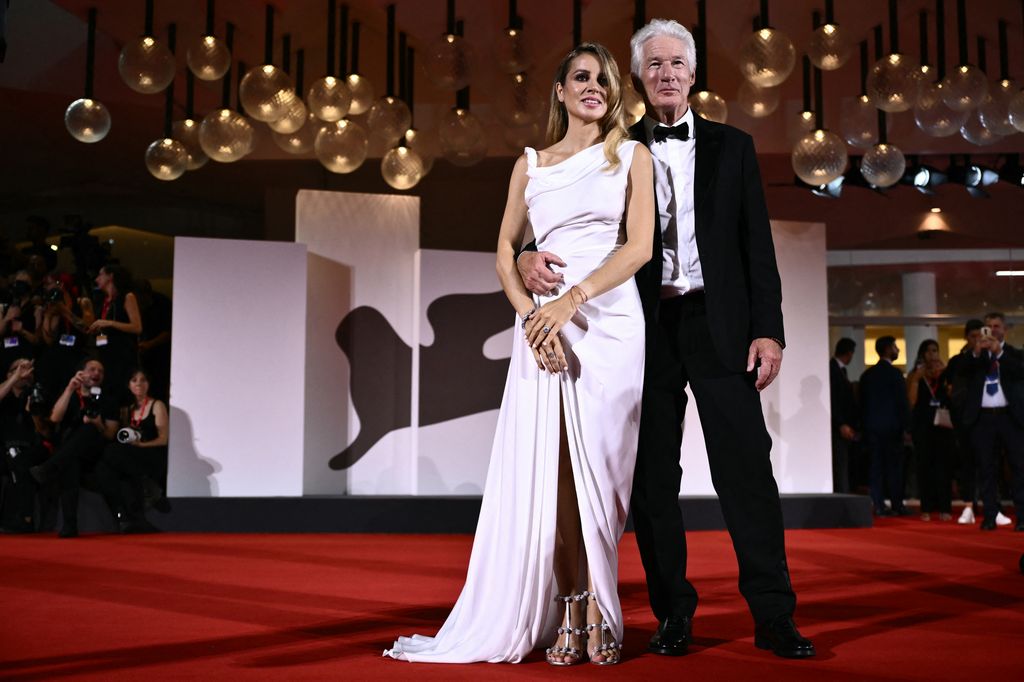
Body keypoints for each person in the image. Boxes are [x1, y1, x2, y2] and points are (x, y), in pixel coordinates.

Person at [518, 18, 812, 659]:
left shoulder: (735, 147)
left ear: (693, 72)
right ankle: (673, 613)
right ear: (639, 77)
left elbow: (756, 247)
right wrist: (524, 257)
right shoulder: (614, 151)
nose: (667, 74)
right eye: (653, 65)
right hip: (640, 330)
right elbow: (562, 219)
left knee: (746, 471)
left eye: (677, 63)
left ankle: (774, 615)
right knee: (652, 479)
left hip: (721, 327)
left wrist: (769, 331)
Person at [384, 42, 654, 665]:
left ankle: (601, 605)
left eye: (604, 80)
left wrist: (572, 299)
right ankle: (571, 606)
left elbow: (637, 247)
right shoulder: (530, 165)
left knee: (602, 476)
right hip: (544, 331)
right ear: (559, 91)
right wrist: (533, 317)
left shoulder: (631, 156)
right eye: (581, 77)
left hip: (609, 322)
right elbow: (505, 250)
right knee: (553, 475)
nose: (593, 87)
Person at [29, 358, 119, 538]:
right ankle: (70, 526)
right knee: (69, 464)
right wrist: (70, 388)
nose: (96, 373)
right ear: (81, 373)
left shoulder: (108, 399)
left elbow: (110, 434)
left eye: (100, 371)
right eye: (92, 369)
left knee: (87, 429)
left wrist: (98, 423)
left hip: (95, 452)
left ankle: (48, 468)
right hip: (69, 453)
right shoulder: (69, 394)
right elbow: (54, 419)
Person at [957, 312, 1024, 531]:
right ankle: (989, 516)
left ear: (1004, 329)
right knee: (986, 468)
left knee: (1018, 467)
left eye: (996, 326)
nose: (992, 330)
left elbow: (1019, 371)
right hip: (983, 418)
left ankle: (1022, 516)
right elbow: (959, 371)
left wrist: (999, 353)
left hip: (1009, 417)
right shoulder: (975, 357)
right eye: (988, 326)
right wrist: (977, 352)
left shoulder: (1014, 354)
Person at [94, 368, 169, 533]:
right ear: (128, 385)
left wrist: (142, 445)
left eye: (143, 380)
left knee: (112, 451)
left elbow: (163, 439)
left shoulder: (157, 405)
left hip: (152, 454)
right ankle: (126, 517)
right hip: (130, 459)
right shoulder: (126, 410)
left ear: (148, 384)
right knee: (102, 469)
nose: (139, 384)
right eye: (134, 380)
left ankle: (145, 488)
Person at [859, 336, 910, 517]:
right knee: (894, 468)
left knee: (876, 468)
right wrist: (906, 428)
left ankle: (879, 505)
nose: (898, 350)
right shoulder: (896, 374)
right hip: (893, 429)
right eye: (895, 347)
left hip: (872, 429)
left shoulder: (867, 375)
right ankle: (897, 504)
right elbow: (902, 404)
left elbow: (861, 404)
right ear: (888, 349)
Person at [0, 358, 50, 533]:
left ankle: (24, 518)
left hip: (32, 448)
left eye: (28, 369)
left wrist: (33, 414)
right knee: (14, 461)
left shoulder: (36, 393)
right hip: (5, 447)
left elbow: (45, 432)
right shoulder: (4, 393)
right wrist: (14, 377)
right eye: (19, 368)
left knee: (19, 463)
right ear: (8, 374)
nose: (24, 372)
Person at [906, 340, 953, 521]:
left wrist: (944, 377)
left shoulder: (945, 373)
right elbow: (911, 402)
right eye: (929, 351)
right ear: (922, 354)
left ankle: (945, 508)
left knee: (944, 468)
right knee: (924, 467)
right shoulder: (916, 375)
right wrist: (918, 379)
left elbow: (952, 397)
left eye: (936, 350)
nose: (933, 355)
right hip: (923, 427)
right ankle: (926, 508)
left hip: (943, 427)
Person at [83, 265, 142, 406]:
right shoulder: (104, 301)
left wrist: (110, 323)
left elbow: (137, 327)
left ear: (111, 276)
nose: (97, 279)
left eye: (100, 275)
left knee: (122, 394)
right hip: (104, 355)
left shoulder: (127, 297)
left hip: (122, 356)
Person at [946, 319, 984, 524]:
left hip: (987, 417)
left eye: (980, 336)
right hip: (965, 419)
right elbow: (950, 388)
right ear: (966, 337)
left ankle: (990, 502)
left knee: (988, 462)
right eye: (973, 337)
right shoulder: (958, 361)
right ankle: (969, 502)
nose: (976, 340)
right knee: (968, 463)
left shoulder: (991, 357)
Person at [830, 338, 859, 494]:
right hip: (838, 427)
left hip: (843, 425)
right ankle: (842, 497)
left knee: (843, 464)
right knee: (840, 464)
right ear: (849, 353)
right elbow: (834, 400)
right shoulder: (833, 370)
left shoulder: (840, 370)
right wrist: (841, 423)